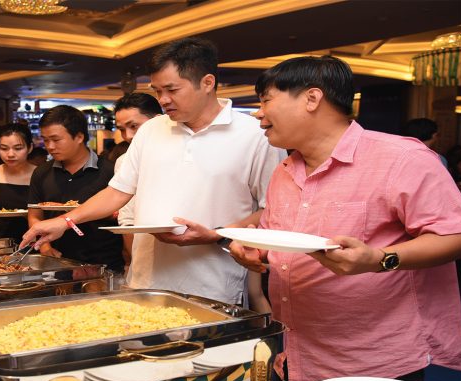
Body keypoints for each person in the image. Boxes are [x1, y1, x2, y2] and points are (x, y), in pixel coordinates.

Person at [228, 56, 461, 381]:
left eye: (266, 100)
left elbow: (456, 235)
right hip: (296, 354)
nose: (258, 113)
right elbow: (280, 235)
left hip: (376, 361)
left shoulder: (401, 158)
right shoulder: (285, 171)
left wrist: (380, 259)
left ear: (312, 99)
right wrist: (256, 249)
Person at [22, 38, 284, 302]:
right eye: (157, 91)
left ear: (207, 83)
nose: (163, 100)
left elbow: (272, 211)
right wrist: (65, 221)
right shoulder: (151, 130)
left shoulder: (255, 135)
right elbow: (117, 192)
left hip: (214, 286)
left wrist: (216, 233)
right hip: (146, 280)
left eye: (172, 89)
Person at [27, 105, 124, 272]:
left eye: (56, 139)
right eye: (45, 140)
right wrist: (44, 246)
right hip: (57, 261)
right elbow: (35, 215)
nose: (50, 146)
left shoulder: (110, 171)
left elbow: (123, 216)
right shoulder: (41, 172)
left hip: (103, 262)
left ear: (79, 137)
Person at [111, 92, 162, 269]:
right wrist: (135, 264)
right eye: (121, 129)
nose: (128, 136)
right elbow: (127, 219)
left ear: (158, 121)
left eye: (134, 126)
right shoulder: (124, 161)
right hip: (144, 256)